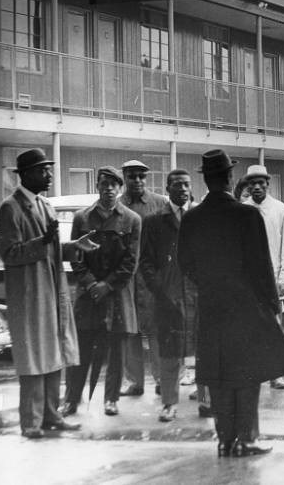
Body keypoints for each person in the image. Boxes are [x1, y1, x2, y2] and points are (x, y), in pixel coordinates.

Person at [178, 149, 284, 457]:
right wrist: (272, 303)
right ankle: (247, 438)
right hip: (246, 306)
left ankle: (224, 439)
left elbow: (185, 263)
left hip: (212, 305)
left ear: (205, 180)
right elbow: (261, 265)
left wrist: (209, 284)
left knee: (217, 374)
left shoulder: (192, 217)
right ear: (231, 178)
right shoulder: (247, 215)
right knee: (248, 373)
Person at [0, 148, 98, 438]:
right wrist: (44, 241)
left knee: (54, 353)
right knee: (33, 356)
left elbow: (50, 248)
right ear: (25, 175)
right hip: (30, 296)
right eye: (43, 170)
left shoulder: (45, 205)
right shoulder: (10, 208)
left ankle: (52, 415)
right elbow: (9, 252)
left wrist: (73, 247)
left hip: (52, 292)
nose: (49, 175)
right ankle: (31, 422)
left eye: (49, 169)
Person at [63, 166, 141, 417]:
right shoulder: (82, 218)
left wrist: (106, 285)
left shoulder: (131, 220)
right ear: (97, 186)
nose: (109, 188)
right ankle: (71, 399)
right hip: (88, 296)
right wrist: (90, 283)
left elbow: (131, 261)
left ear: (120, 188)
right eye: (104, 183)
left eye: (114, 184)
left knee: (116, 350)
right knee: (82, 348)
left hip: (116, 295)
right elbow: (75, 256)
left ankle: (111, 399)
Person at [140, 169, 210, 422]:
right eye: (177, 185)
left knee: (204, 349)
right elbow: (145, 262)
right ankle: (169, 404)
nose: (182, 189)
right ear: (167, 188)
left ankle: (206, 400)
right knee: (170, 352)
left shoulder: (201, 218)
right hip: (167, 297)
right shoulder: (154, 221)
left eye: (186, 185)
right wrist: (159, 289)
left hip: (198, 295)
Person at [242, 164, 284, 389]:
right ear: (247, 185)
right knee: (247, 326)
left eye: (260, 183)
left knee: (273, 327)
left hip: (273, 278)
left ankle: (275, 374)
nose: (256, 187)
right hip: (248, 280)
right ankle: (250, 371)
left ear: (267, 184)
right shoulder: (242, 209)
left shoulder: (280, 210)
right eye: (252, 183)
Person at [119, 159, 167, 398]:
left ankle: (162, 379)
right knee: (131, 331)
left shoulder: (160, 204)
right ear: (124, 178)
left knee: (158, 329)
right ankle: (135, 382)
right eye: (132, 176)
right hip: (126, 280)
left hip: (153, 277)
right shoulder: (117, 206)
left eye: (141, 176)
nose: (137, 180)